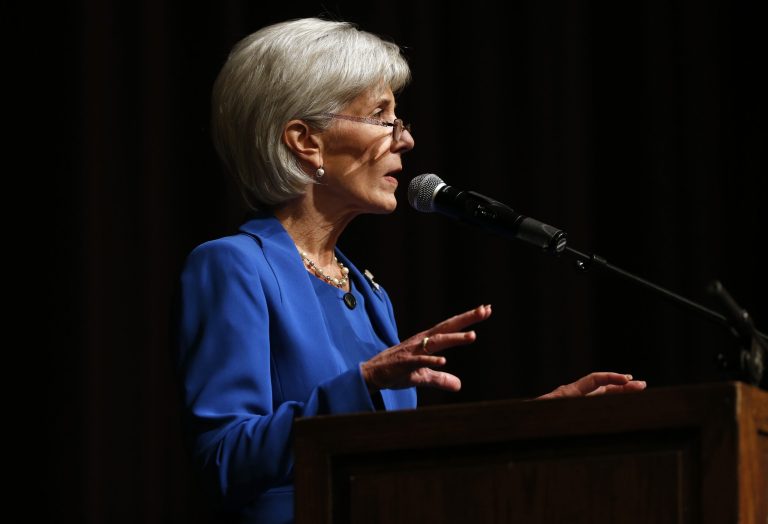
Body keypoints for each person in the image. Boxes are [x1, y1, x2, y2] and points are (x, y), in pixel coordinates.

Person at [174, 17, 647, 524]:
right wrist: (363, 383)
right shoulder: (234, 265)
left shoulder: (368, 293)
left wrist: (535, 422)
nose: (406, 140)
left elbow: (404, 465)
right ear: (304, 140)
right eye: (382, 117)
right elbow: (221, 459)